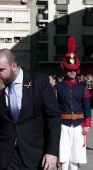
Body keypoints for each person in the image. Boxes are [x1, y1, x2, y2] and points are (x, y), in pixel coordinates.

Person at [0, 48, 61, 170]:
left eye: (1, 70)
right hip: (7, 156)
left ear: (14, 66)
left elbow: (53, 117)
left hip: (35, 154)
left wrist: (52, 152)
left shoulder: (39, 81)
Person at [55, 37, 92, 170]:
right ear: (65, 70)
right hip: (63, 126)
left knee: (76, 157)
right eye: (69, 70)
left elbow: (87, 107)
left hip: (79, 126)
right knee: (63, 156)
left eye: (74, 70)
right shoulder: (58, 87)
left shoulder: (82, 87)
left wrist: (87, 125)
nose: (72, 72)